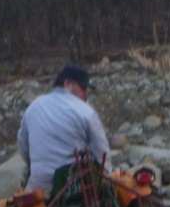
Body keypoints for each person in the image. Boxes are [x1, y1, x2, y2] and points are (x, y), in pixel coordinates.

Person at [17, 65, 112, 196]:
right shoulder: (85, 110)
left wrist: (34, 164)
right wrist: (107, 177)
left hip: (40, 188)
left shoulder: (34, 106)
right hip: (76, 187)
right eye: (83, 88)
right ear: (67, 83)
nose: (86, 93)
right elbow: (101, 151)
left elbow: (23, 145)